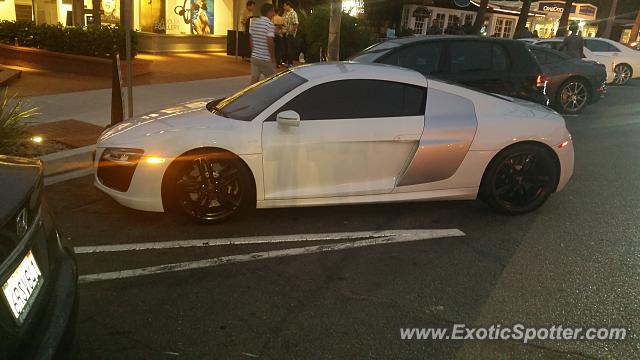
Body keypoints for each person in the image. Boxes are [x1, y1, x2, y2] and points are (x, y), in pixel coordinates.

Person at [249, 3, 276, 84]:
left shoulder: (254, 23)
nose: (274, 13)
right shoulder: (269, 24)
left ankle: (250, 95)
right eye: (273, 11)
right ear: (269, 12)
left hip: (255, 57)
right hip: (265, 58)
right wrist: (273, 57)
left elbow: (251, 39)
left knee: (254, 81)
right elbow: (270, 41)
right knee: (273, 81)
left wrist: (254, 51)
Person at [283, 1, 299, 67]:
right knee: (287, 48)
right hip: (285, 33)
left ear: (288, 5)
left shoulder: (293, 13)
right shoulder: (286, 13)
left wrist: (291, 31)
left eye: (284, 6)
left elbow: (296, 23)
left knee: (290, 49)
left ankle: (290, 63)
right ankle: (287, 62)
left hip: (290, 34)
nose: (284, 7)